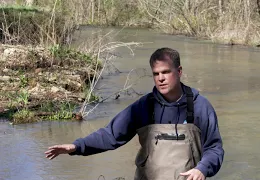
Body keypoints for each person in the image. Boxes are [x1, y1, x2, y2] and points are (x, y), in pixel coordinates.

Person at [45, 47, 224, 180]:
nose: (160, 78)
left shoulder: (200, 106)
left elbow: (214, 149)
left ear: (179, 71)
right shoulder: (143, 107)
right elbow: (111, 135)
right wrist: (76, 147)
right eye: (156, 73)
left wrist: (202, 169)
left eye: (166, 72)